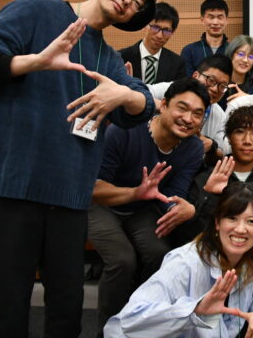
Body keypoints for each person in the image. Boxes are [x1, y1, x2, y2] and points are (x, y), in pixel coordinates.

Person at [0, 0, 157, 337]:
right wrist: (36, 62)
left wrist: (122, 93)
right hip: (14, 189)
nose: (128, 0)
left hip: (70, 199)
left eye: (138, 3)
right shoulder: (38, 10)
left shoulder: (109, 58)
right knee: (5, 308)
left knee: (67, 311)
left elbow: (145, 105)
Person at [88, 78, 208, 331]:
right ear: (163, 105)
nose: (188, 119)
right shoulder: (123, 131)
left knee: (160, 255)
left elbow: (174, 192)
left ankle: (141, 325)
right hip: (102, 205)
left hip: (142, 209)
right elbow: (95, 188)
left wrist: (183, 208)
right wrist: (135, 193)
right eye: (182, 108)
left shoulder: (193, 148)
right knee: (122, 260)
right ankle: (107, 331)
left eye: (197, 114)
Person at [104, 183, 253, 337]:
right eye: (232, 218)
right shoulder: (185, 262)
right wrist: (195, 311)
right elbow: (126, 322)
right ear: (217, 223)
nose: (241, 229)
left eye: (251, 221)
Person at [176, 105, 253, 275]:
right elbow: (188, 232)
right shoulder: (208, 176)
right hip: (209, 265)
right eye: (240, 132)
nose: (247, 140)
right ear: (229, 137)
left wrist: (242, 217)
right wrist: (209, 194)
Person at [150, 54, 233, 162]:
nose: (214, 89)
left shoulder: (220, 116)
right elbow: (138, 94)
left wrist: (211, 146)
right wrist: (166, 107)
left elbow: (222, 152)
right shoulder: (173, 89)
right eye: (211, 80)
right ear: (195, 76)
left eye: (222, 86)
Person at [119, 1, 186, 83]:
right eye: (155, 27)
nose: (159, 35)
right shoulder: (121, 57)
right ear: (144, 25)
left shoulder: (177, 63)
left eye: (166, 30)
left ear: (173, 32)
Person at [181, 0, 229, 75]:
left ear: (226, 20)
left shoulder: (233, 50)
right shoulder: (189, 51)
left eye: (220, 17)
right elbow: (186, 81)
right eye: (211, 17)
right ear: (202, 20)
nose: (215, 22)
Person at [222, 34, 253, 108]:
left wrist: (248, 99)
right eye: (241, 54)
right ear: (231, 54)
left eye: (251, 56)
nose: (245, 60)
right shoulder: (220, 83)